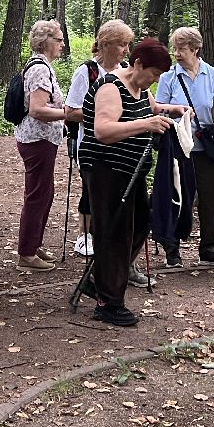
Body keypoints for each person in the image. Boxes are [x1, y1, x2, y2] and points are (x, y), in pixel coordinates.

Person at [78, 38, 175, 326]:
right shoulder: (111, 87)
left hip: (131, 171)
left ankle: (99, 279)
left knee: (141, 223)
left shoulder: (141, 89)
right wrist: (146, 124)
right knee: (114, 231)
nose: (155, 81)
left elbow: (152, 111)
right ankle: (109, 302)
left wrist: (173, 113)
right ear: (138, 64)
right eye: (154, 74)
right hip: (105, 169)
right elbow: (103, 130)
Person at [153, 26, 214, 267]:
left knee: (209, 196)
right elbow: (159, 108)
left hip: (205, 146)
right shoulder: (168, 77)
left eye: (181, 49)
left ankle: (209, 247)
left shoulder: (212, 74)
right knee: (177, 195)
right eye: (175, 48)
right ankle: (172, 249)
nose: (177, 53)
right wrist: (176, 113)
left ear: (195, 49)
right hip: (177, 145)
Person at [64, 20, 133, 259]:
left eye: (127, 44)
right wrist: (105, 112)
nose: (126, 50)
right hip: (92, 144)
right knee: (90, 191)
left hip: (121, 143)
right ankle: (84, 237)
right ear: (105, 44)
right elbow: (71, 111)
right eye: (122, 44)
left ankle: (108, 236)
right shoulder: (87, 71)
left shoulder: (125, 69)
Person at [14, 19, 68, 271]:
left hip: (43, 139)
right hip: (37, 139)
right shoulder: (39, 69)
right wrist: (69, 113)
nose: (62, 44)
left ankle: (33, 245)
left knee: (45, 194)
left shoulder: (43, 66)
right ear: (45, 42)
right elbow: (37, 109)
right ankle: (26, 254)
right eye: (58, 40)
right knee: (38, 195)